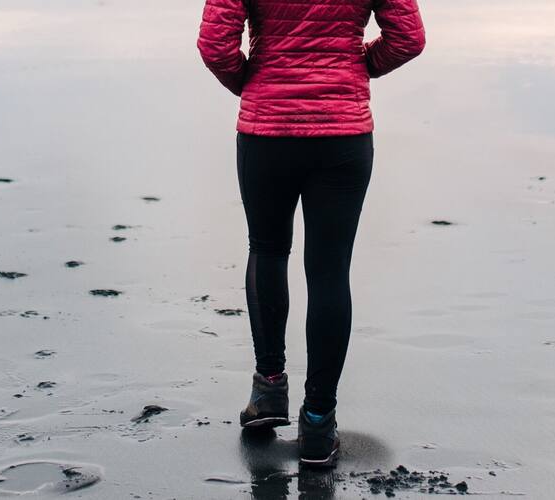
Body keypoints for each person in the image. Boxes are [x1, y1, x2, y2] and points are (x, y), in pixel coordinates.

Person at [198, 0, 425, 466]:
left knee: (267, 249)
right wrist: (357, 66)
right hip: (342, 133)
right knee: (328, 273)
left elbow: (215, 45)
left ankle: (268, 391)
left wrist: (255, 83)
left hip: (268, 130)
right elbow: (408, 38)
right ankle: (319, 421)